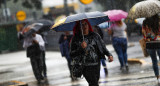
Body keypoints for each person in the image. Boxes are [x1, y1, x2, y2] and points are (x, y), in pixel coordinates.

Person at [70, 19, 113, 86]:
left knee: (94, 83)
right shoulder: (76, 38)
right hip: (85, 66)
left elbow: (103, 47)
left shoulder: (95, 36)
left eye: (85, 24)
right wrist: (81, 48)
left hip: (96, 64)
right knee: (94, 83)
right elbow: (72, 54)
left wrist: (109, 55)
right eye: (82, 25)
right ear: (79, 27)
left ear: (88, 24)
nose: (84, 26)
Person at [142, 14, 160, 83]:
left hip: (150, 43)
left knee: (154, 61)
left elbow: (143, 32)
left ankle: (158, 77)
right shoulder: (158, 20)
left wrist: (146, 37)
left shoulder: (145, 21)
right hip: (159, 42)